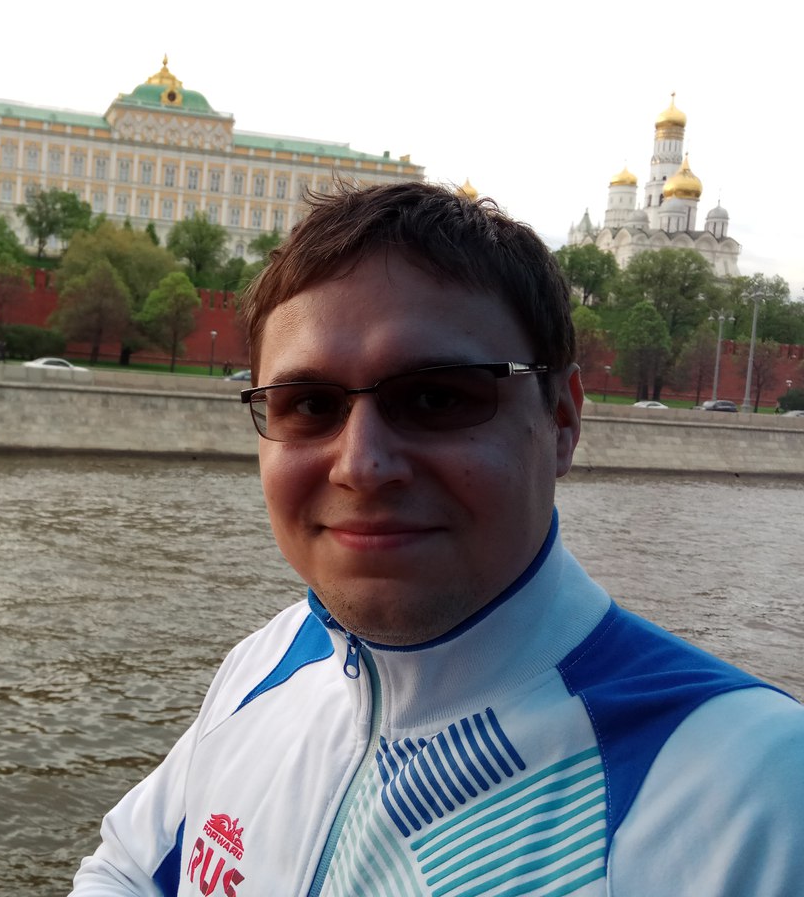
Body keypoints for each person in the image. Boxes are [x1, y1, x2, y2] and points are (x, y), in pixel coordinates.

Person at [70, 182, 804, 896]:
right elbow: (128, 868)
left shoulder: (756, 790)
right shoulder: (268, 660)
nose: (361, 467)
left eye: (437, 396)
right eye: (311, 405)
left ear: (562, 420)